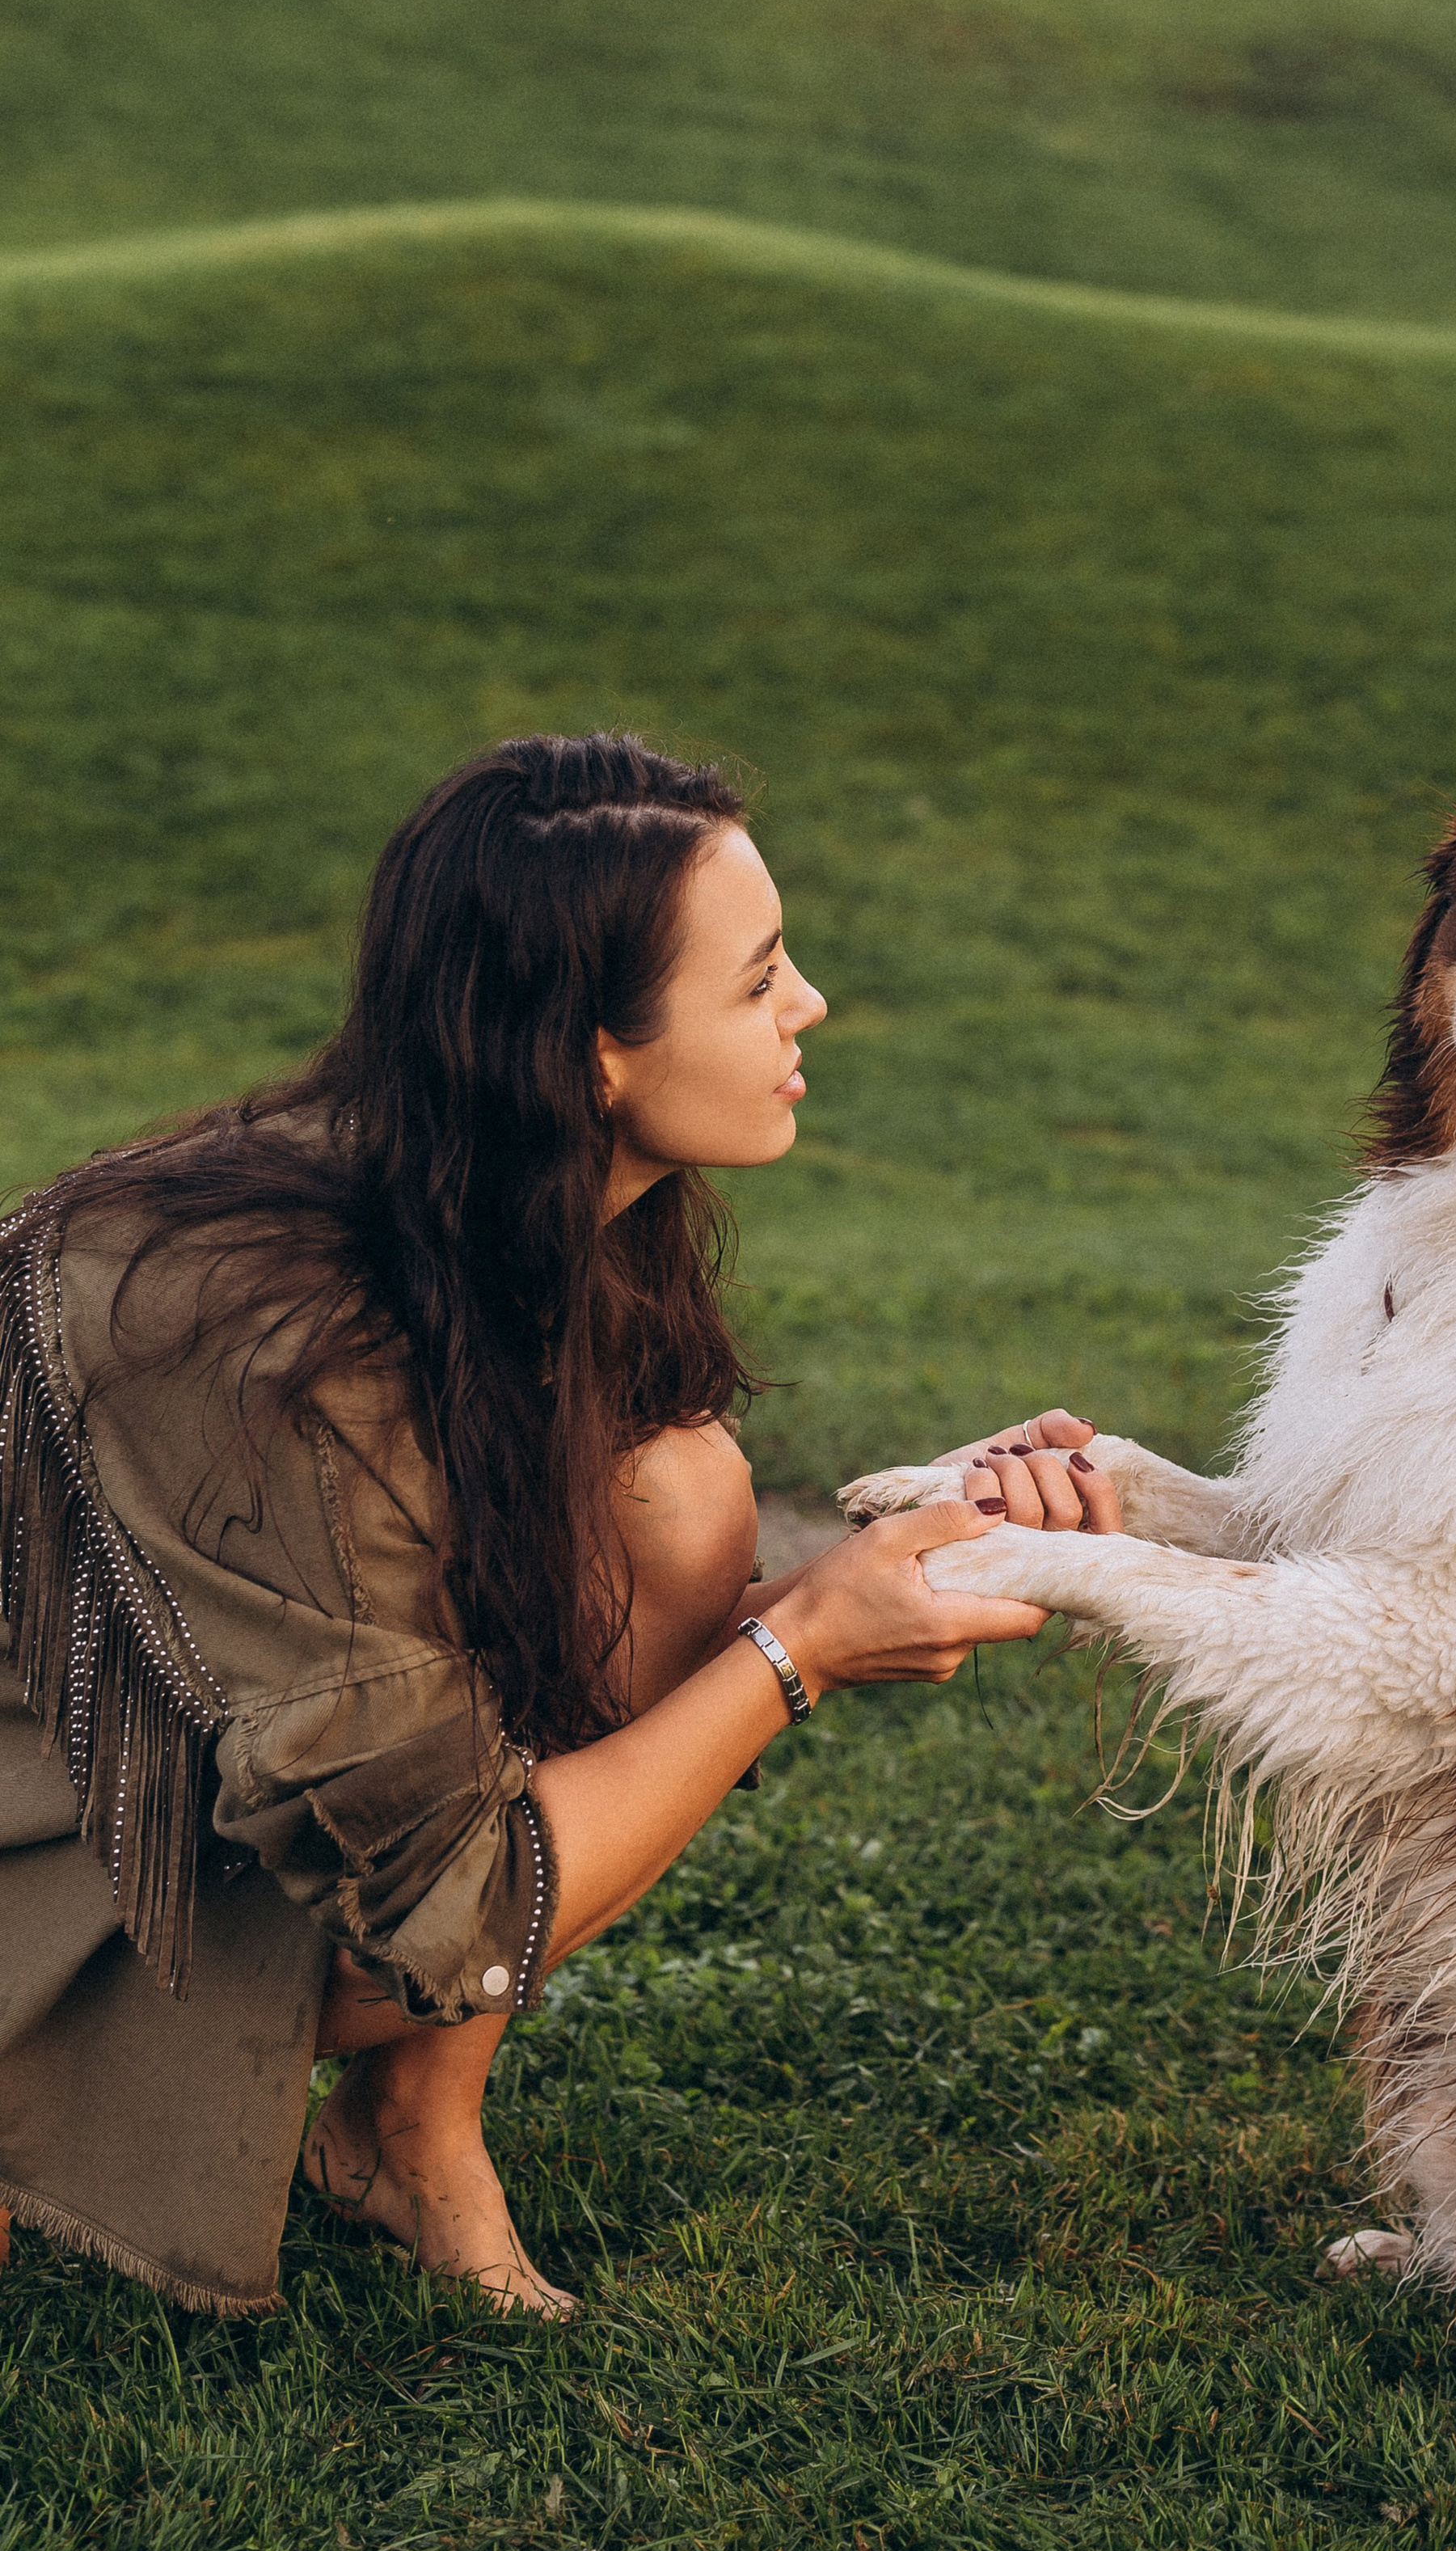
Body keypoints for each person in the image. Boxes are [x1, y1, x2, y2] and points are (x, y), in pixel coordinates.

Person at [0, 734, 1116, 2317]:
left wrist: (898, 1555)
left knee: (679, 1499)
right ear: (593, 1049)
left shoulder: (527, 1202)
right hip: (40, 1822)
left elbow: (598, 1602)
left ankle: (411, 2125)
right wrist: (798, 1645)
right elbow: (443, 1904)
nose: (807, 1010)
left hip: (162, 1773)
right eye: (760, 980)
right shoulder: (254, 1339)